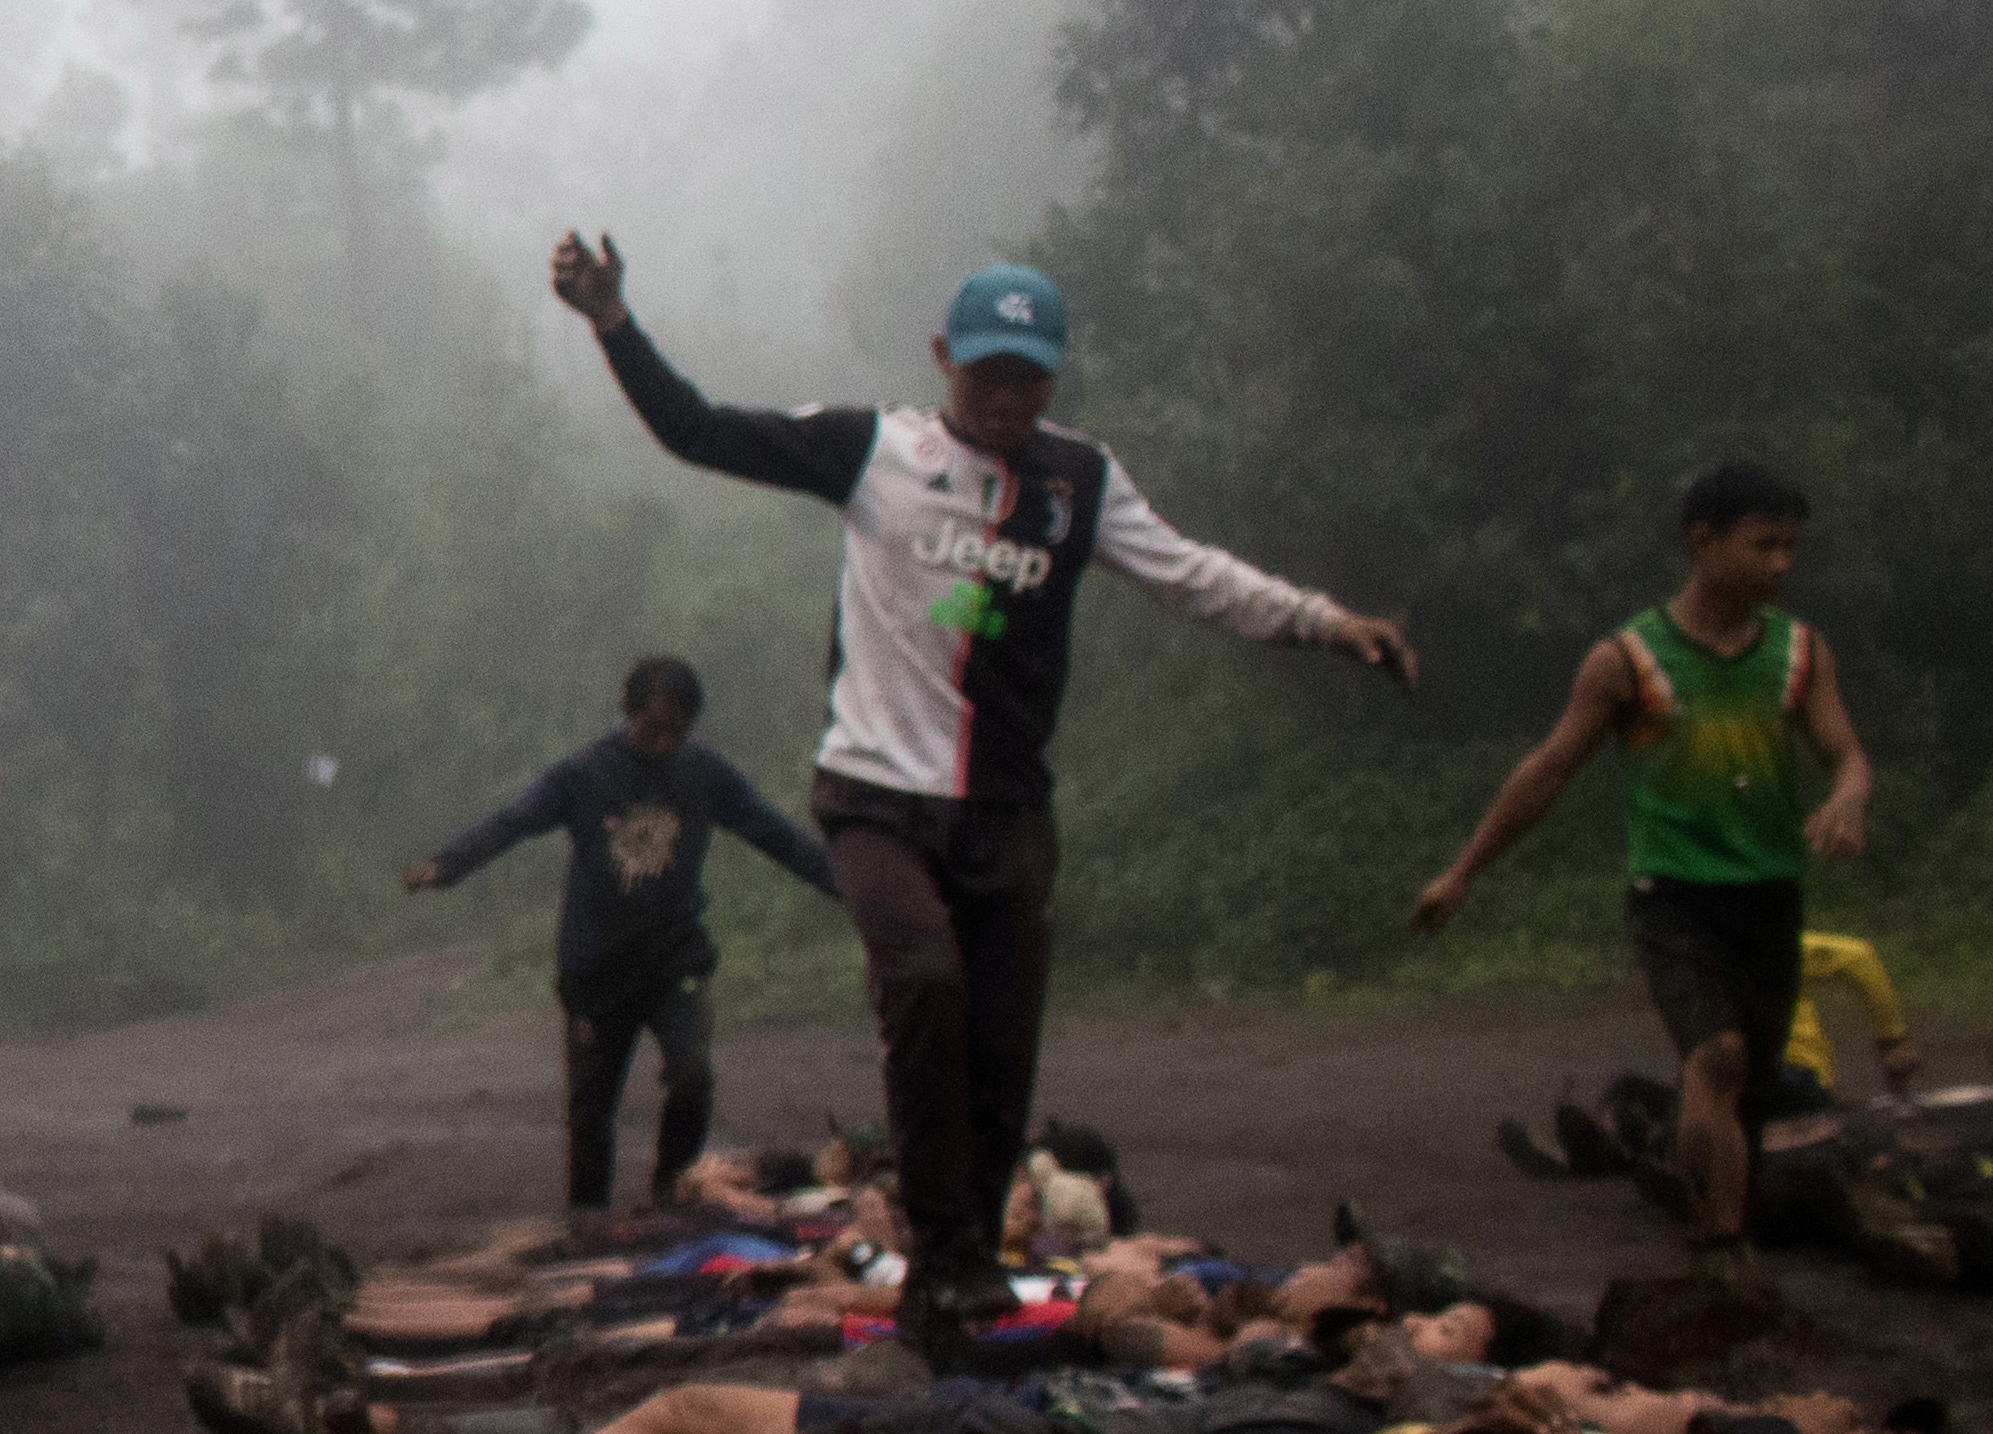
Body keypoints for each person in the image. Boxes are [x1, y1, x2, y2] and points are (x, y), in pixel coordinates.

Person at [552, 238, 1412, 1339]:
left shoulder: (1077, 480)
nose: (1005, 399)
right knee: (924, 983)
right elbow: (697, 428)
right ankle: (943, 1256)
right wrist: (613, 321)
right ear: (940, 359)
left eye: (1027, 378)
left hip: (1006, 809)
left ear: (1053, 378)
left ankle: (969, 1264)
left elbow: (1193, 578)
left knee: (1002, 1040)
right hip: (874, 796)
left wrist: (1327, 623)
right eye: (985, 375)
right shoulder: (871, 448)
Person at [1413, 464, 1877, 1283]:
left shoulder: (1799, 651)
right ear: (1702, 541)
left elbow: (1845, 755)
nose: (1780, 565)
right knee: (1719, 1057)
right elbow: (1547, 771)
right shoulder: (1627, 660)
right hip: (1674, 898)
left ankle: (1683, 1175)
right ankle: (1716, 1255)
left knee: (1752, 1090)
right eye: (1762, 544)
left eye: (1790, 547)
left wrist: (1847, 798)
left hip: (1769, 892)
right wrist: (1462, 872)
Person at [406, 656, 839, 1215]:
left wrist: (848, 885)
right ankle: (588, 1225)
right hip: (596, 971)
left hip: (673, 961)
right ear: (627, 712)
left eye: (675, 733)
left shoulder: (705, 776)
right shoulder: (583, 775)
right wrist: (447, 865)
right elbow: (512, 822)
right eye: (650, 728)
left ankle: (674, 1194)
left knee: (692, 1076)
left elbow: (775, 835)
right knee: (590, 1116)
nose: (660, 743)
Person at [1782, 929, 1923, 1115]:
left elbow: (1858, 956)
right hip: (1799, 1080)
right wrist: (1893, 1039)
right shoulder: (1774, 948)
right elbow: (1858, 956)